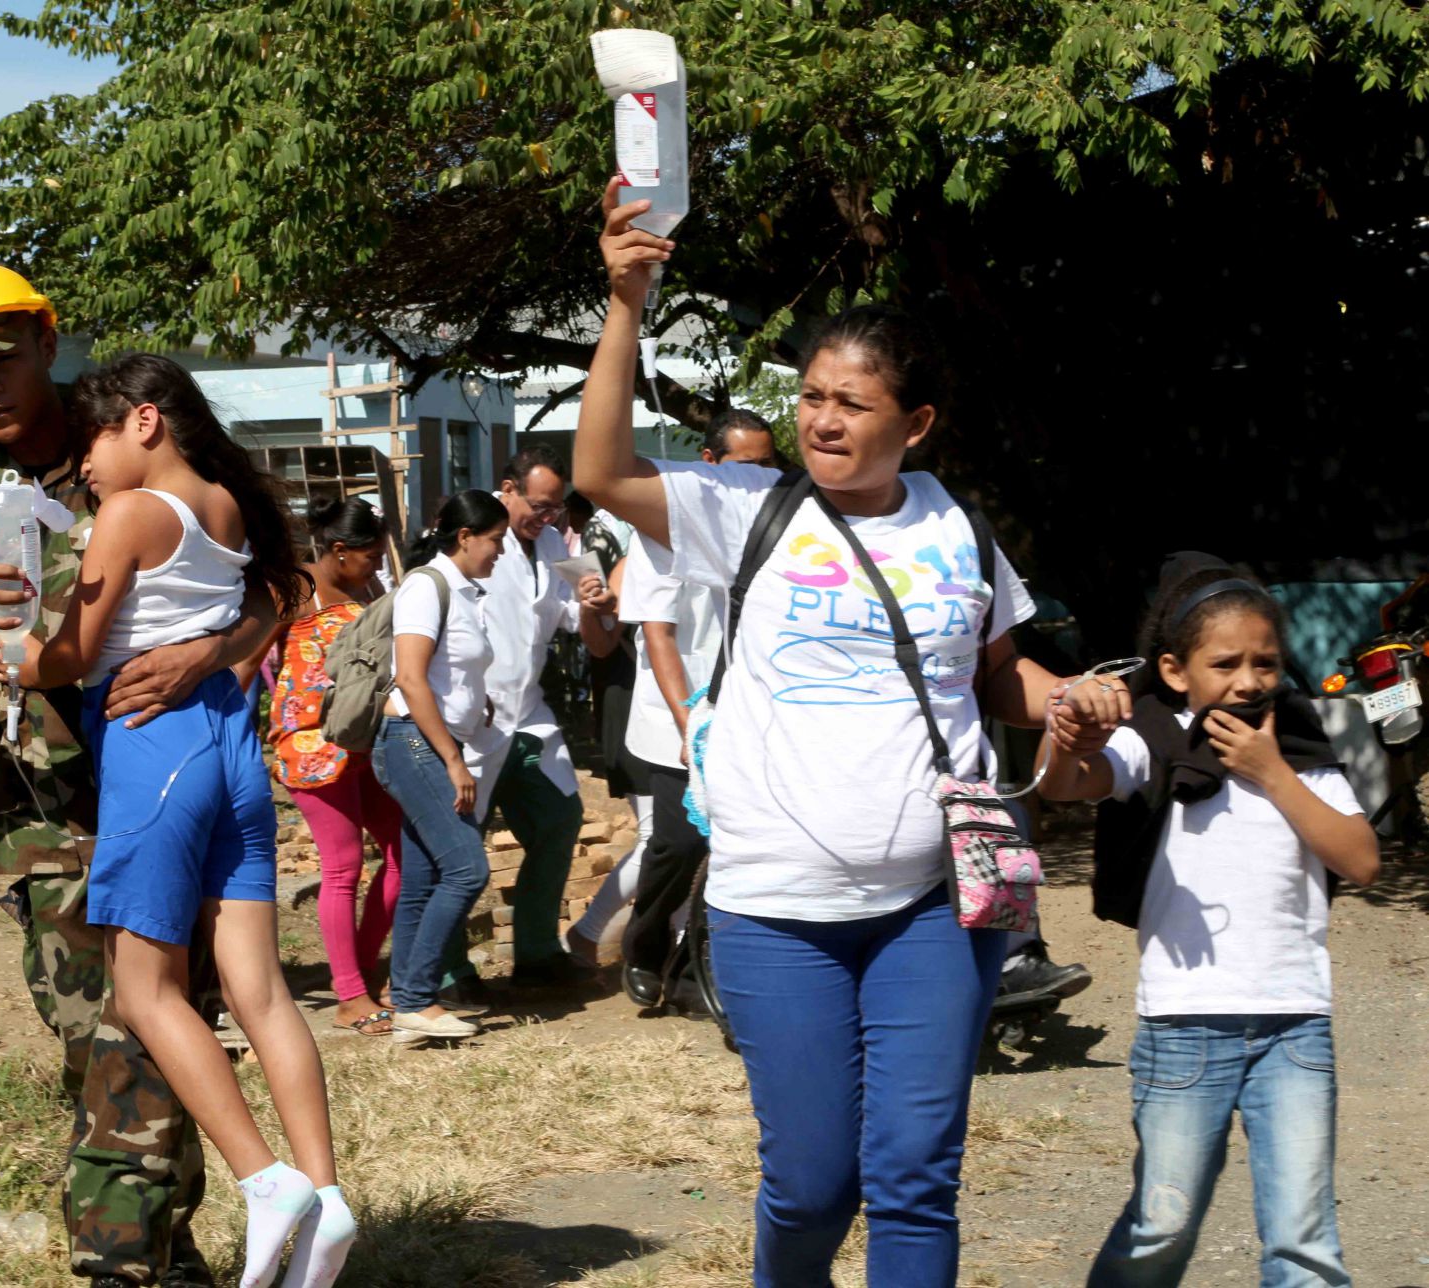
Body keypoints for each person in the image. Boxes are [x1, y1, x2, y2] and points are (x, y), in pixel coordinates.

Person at [573, 179, 1116, 1286]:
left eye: (851, 404)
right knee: (814, 1180)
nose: (822, 418)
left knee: (917, 1174)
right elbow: (601, 472)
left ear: (914, 424)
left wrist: (1072, 701)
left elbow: (999, 679)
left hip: (935, 906)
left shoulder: (956, 523)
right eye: (813, 396)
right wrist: (625, 306)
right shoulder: (748, 506)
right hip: (778, 912)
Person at [0, 257, 273, 1288]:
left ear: (47, 344)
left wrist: (209, 652)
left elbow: (266, 584)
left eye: (0, 360)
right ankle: (138, 1258)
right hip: (40, 823)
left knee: (154, 1035)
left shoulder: (132, 446)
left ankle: (138, 1257)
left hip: (167, 791)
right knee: (111, 1048)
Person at [2, 352, 351, 1288]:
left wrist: (9, 650)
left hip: (154, 750)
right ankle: (326, 1194)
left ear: (144, 421)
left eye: (93, 443)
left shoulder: (128, 513)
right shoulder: (227, 506)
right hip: (233, 743)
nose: (83, 470)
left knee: (144, 989)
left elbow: (72, 655)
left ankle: (263, 1180)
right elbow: (270, 599)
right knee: (260, 989)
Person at [1040, 557, 1379, 1287]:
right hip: (1184, 1029)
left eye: (1266, 662)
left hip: (1296, 1025)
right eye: (1224, 663)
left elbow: (1362, 861)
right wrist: (1071, 726)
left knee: (1304, 1238)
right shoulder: (1151, 739)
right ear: (1173, 669)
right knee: (1162, 1224)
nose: (1249, 680)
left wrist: (1273, 774)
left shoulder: (1297, 745)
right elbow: (1070, 784)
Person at [604, 410, 778, 1009]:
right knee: (678, 844)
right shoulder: (660, 525)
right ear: (709, 465)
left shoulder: (775, 523)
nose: (761, 478)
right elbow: (658, 633)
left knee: (738, 846)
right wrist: (691, 725)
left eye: (768, 465)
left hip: (749, 708)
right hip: (677, 716)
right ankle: (645, 946)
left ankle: (703, 965)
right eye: (746, 467)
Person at [444, 445, 623, 1004]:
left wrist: (597, 602)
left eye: (555, 507)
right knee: (459, 848)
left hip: (529, 718)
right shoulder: (471, 540)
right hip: (473, 720)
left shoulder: (556, 545)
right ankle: (450, 972)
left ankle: (538, 953)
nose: (546, 516)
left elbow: (587, 631)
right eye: (538, 505)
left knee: (559, 819)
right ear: (508, 488)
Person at [262, 497, 403, 1037]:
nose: (376, 566)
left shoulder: (366, 589)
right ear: (339, 550)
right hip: (312, 748)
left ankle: (362, 971)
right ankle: (349, 996)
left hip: (363, 741)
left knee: (401, 853)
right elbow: (247, 663)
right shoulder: (292, 589)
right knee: (342, 866)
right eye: (369, 555)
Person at [373, 490, 509, 1043]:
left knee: (426, 875)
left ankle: (408, 1001)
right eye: (496, 541)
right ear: (465, 538)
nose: (500, 551)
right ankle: (416, 997)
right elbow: (410, 678)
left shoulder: (461, 590)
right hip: (414, 743)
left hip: (428, 740)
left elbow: (449, 673)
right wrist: (454, 760)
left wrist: (477, 704)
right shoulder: (426, 587)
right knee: (467, 868)